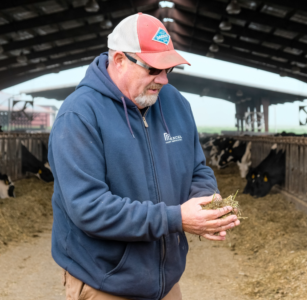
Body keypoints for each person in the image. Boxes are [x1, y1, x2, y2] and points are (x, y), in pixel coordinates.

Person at [48, 13, 240, 300]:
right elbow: (89, 208)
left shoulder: (174, 103)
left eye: (168, 70)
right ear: (119, 60)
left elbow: (197, 168)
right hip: (106, 282)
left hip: (165, 283)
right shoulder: (79, 115)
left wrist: (206, 202)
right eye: (152, 69)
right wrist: (176, 218)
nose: (162, 80)